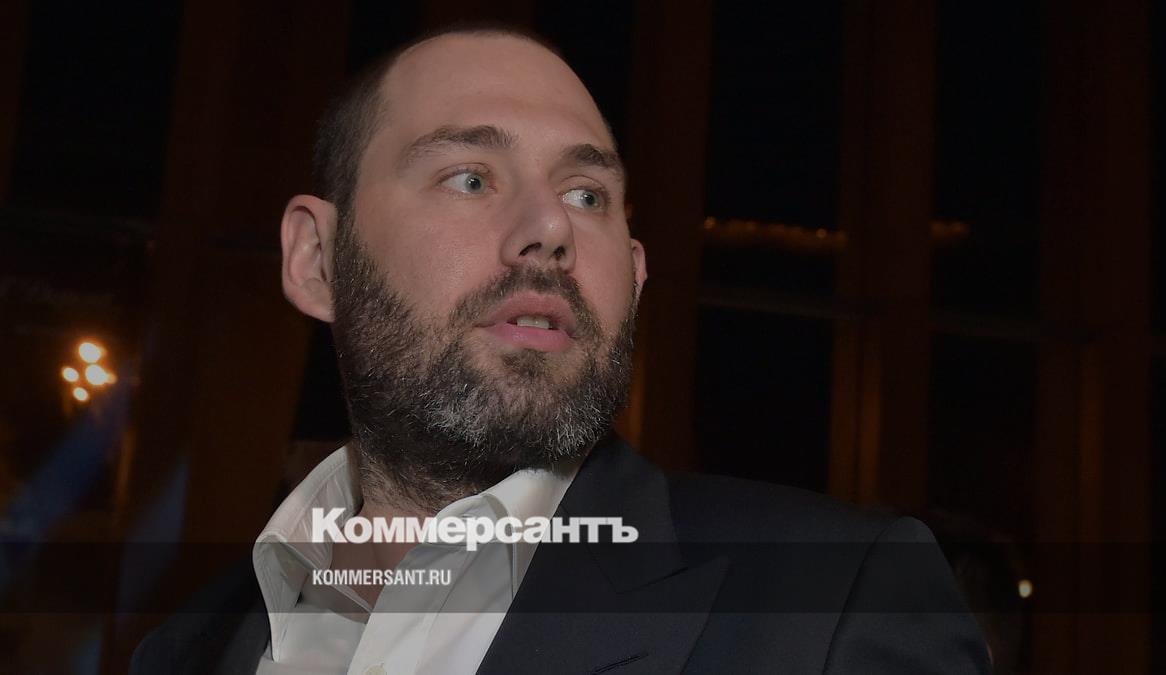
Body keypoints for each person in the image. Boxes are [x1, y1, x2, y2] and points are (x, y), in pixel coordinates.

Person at [132, 25, 990, 674]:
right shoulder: (186, 649)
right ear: (318, 260)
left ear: (636, 276)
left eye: (587, 195)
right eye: (471, 177)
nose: (550, 228)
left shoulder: (833, 602)